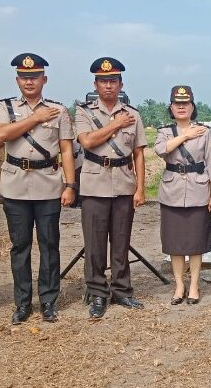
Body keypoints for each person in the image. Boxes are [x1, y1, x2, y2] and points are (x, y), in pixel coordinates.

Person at [0, 53, 77, 325]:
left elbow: (66, 149)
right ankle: (22, 303)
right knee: (20, 246)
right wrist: (35, 118)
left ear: (44, 79)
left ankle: (49, 300)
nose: (29, 81)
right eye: (24, 77)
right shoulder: (5, 107)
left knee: (50, 244)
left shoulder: (59, 110)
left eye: (35, 76)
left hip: (49, 184)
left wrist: (70, 185)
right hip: (16, 184)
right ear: (17, 80)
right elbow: (2, 135)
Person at [75, 57, 147, 319]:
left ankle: (122, 290)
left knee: (121, 241)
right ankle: (97, 292)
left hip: (124, 183)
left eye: (113, 81)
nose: (108, 86)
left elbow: (139, 153)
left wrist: (140, 188)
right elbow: (87, 141)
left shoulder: (134, 114)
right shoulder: (84, 112)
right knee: (94, 243)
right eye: (103, 81)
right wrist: (116, 124)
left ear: (120, 84)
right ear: (95, 83)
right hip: (94, 182)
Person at [154, 85, 211, 305]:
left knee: (195, 242)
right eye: (177, 104)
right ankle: (179, 285)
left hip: (198, 190)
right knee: (174, 243)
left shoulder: (204, 132)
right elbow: (161, 150)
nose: (181, 107)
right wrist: (185, 136)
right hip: (172, 191)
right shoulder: (165, 131)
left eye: (186, 104)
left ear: (193, 107)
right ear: (171, 108)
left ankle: (193, 285)